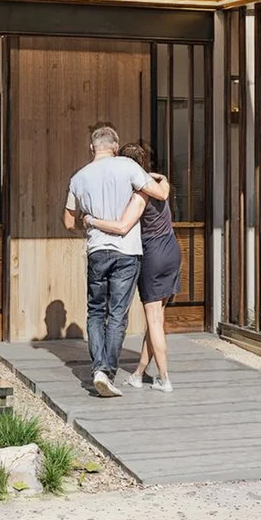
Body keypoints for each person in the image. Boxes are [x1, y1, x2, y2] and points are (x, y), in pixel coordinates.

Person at [81, 140, 177, 393]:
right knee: (156, 319)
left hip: (153, 254)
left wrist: (91, 220)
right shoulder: (156, 185)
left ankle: (165, 379)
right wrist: (162, 177)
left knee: (154, 320)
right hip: (171, 251)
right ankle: (139, 373)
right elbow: (165, 189)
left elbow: (122, 226)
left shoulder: (137, 194)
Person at [61, 122, 144, 396]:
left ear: (92, 148)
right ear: (115, 147)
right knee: (117, 314)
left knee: (96, 311)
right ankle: (107, 372)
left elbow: (68, 222)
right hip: (127, 250)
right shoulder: (128, 166)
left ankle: (99, 368)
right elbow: (155, 192)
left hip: (97, 250)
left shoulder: (78, 178)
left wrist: (88, 223)